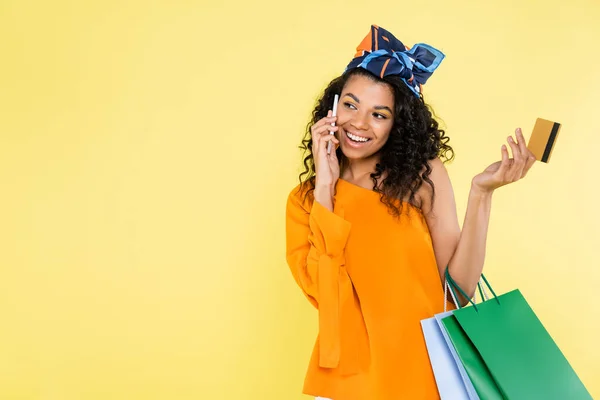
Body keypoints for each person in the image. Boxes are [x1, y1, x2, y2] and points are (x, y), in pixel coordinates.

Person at [285, 25, 536, 400]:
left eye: (379, 114)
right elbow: (326, 295)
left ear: (396, 123)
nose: (358, 123)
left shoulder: (420, 176)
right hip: (348, 381)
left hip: (425, 371)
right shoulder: (305, 200)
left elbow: (457, 291)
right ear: (332, 108)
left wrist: (481, 194)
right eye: (351, 105)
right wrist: (326, 188)